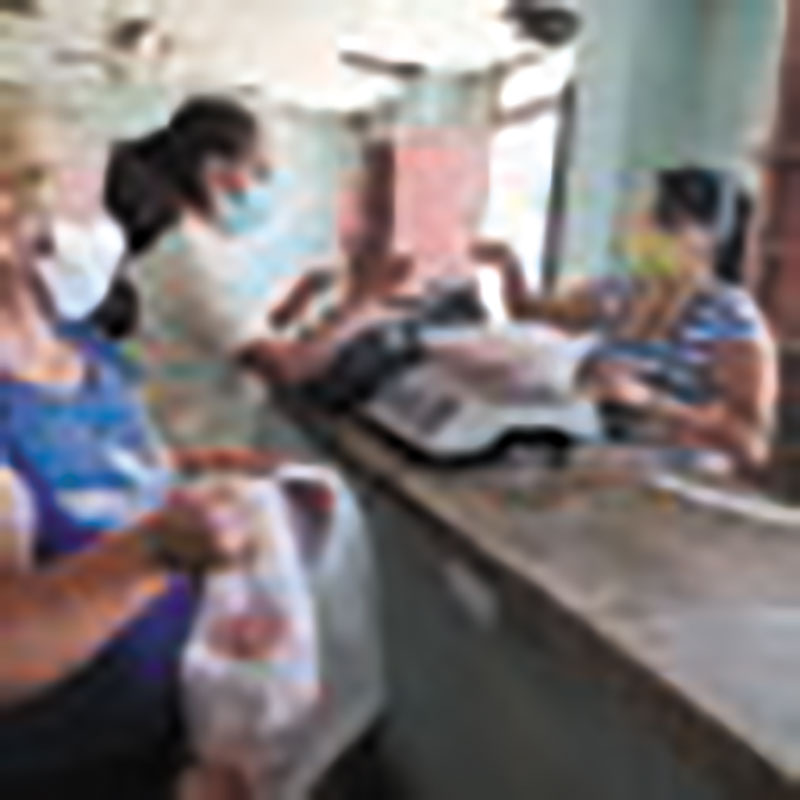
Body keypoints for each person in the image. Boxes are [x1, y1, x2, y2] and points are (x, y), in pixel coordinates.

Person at [0, 84, 298, 800]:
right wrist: (158, 551)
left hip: (158, 736)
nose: (99, 224)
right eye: (76, 202)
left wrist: (190, 468)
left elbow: (96, 478)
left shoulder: (80, 349)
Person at [473, 167, 778, 474]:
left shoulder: (730, 316)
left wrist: (649, 402)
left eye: (666, 223)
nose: (644, 232)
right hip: (595, 459)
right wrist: (508, 267)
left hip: (671, 480)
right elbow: (528, 313)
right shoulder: (620, 293)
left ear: (710, 239)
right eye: (644, 220)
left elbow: (750, 443)